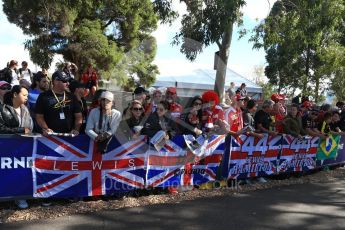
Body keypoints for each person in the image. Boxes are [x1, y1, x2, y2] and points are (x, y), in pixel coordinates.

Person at [0, 85, 33, 209]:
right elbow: (1, 128)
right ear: (15, 94)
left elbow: (30, 126)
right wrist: (20, 130)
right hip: (7, 148)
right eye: (24, 95)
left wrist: (28, 131)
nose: (26, 98)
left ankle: (20, 197)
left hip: (24, 147)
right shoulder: (3, 108)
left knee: (22, 171)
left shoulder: (26, 109)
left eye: (27, 96)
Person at [35, 71, 82, 136]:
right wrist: (46, 128)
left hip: (69, 136)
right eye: (65, 81)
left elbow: (78, 116)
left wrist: (76, 129)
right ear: (56, 81)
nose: (68, 83)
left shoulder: (72, 97)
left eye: (68, 81)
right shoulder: (43, 96)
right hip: (51, 136)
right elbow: (39, 116)